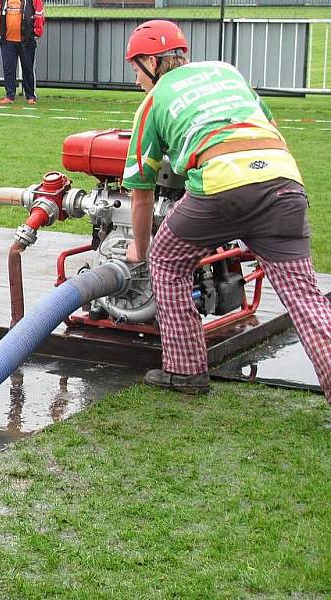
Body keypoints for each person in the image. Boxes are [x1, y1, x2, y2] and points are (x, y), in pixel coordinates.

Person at [120, 20, 331, 400]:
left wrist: (141, 250)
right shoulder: (226, 71)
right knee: (304, 297)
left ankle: (185, 372)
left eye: (135, 69)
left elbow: (140, 192)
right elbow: (267, 121)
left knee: (167, 261)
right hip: (283, 181)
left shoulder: (152, 101)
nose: (136, 79)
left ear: (152, 61)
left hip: (222, 187)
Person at [0, 0, 43, 105]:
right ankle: (9, 96)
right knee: (8, 69)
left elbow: (39, 15)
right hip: (7, 40)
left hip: (26, 40)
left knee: (28, 68)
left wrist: (36, 33)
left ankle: (30, 96)